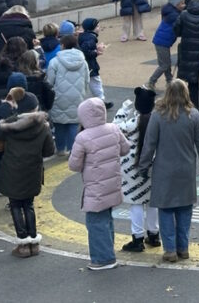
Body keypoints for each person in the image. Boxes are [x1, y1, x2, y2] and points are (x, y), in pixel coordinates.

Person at [137, 80, 199, 262]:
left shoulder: (158, 115)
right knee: (185, 210)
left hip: (164, 169)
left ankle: (169, 249)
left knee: (166, 210)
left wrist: (143, 166)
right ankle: (183, 248)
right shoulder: (193, 115)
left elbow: (150, 144)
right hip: (186, 169)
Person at [69, 97, 129, 270]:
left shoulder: (83, 137)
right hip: (113, 182)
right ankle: (107, 252)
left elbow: (74, 165)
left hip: (95, 185)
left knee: (95, 221)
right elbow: (125, 149)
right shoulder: (113, 129)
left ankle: (104, 258)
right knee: (106, 218)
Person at [0, 88, 54, 257]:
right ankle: (34, 243)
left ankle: (22, 245)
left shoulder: (8, 124)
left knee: (15, 204)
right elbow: (49, 151)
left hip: (12, 169)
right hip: (32, 170)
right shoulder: (43, 127)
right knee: (28, 205)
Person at [114, 87, 160, 253]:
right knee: (152, 200)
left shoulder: (132, 123)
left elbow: (115, 126)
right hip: (154, 164)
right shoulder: (156, 120)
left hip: (131, 166)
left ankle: (137, 237)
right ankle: (154, 234)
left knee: (136, 202)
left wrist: (123, 109)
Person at [46, 34, 90, 154]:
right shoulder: (83, 61)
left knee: (59, 123)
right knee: (74, 123)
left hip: (59, 96)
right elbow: (87, 79)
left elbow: (50, 81)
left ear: (63, 45)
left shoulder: (54, 62)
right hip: (77, 95)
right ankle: (72, 149)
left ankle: (60, 149)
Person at [148, 0, 185, 89]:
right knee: (164, 64)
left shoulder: (170, 11)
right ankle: (151, 81)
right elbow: (179, 27)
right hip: (162, 42)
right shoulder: (174, 15)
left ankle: (169, 80)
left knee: (165, 62)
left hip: (162, 41)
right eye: (182, 4)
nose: (184, 5)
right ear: (175, 4)